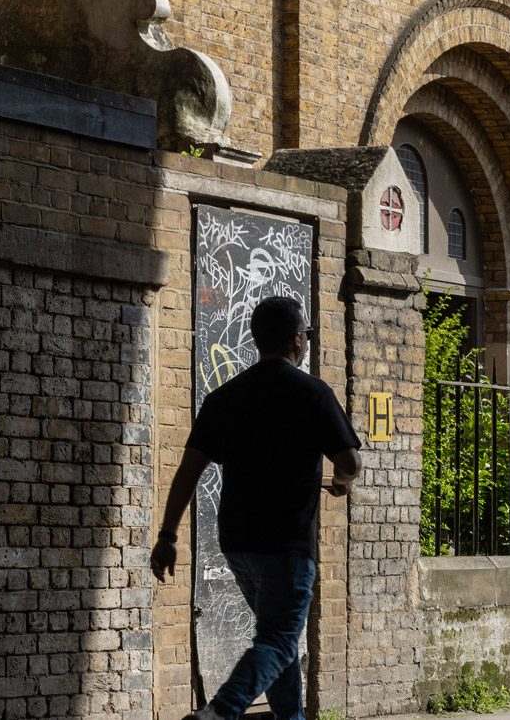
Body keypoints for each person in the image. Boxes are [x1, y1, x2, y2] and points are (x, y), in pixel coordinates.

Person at [153, 296, 363, 720]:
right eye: (305, 335)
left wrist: (168, 536)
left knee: (276, 638)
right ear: (297, 341)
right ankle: (219, 712)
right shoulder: (312, 393)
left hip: (238, 544)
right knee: (281, 640)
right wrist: (340, 484)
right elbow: (350, 463)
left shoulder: (224, 398)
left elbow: (188, 472)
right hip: (285, 547)